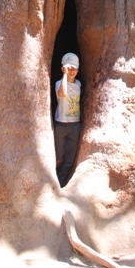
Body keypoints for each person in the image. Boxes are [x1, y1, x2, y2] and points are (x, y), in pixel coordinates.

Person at [54, 52, 81, 187]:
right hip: (61, 125)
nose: (72, 71)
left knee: (69, 160)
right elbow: (62, 93)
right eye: (69, 68)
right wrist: (65, 74)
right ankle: (54, 184)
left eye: (74, 68)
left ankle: (61, 185)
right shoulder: (59, 83)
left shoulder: (79, 84)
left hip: (75, 126)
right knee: (58, 158)